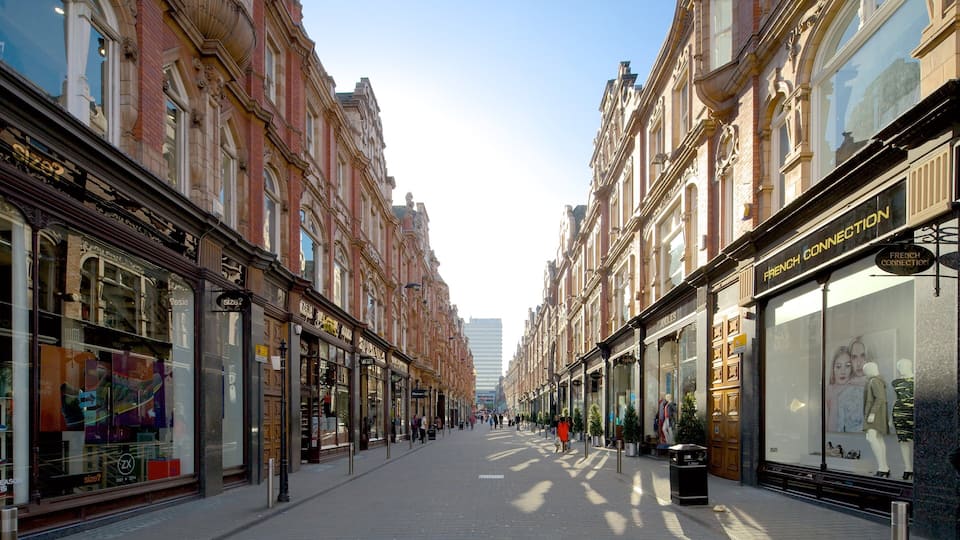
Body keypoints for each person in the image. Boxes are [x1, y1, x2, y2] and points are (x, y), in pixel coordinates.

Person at [826, 346, 864, 432]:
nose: (843, 371)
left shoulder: (858, 388)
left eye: (847, 366)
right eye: (838, 366)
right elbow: (829, 430)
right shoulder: (828, 391)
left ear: (851, 368)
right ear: (833, 368)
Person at [862, 362, 891, 477]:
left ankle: (882, 468)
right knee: (878, 438)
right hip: (877, 413)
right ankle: (884, 468)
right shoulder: (876, 381)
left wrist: (872, 413)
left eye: (866, 371)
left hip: (874, 414)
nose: (865, 373)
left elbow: (880, 398)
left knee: (872, 438)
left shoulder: (874, 381)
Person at [892, 358, 914, 480]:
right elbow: (896, 398)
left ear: (909, 366)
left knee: (917, 440)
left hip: (914, 412)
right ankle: (907, 468)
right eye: (898, 367)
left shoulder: (917, 380)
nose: (900, 369)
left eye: (902, 366)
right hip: (899, 413)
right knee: (903, 440)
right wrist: (891, 418)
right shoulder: (896, 382)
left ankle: (918, 466)